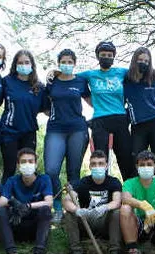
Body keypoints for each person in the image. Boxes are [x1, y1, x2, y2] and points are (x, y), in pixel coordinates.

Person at [44, 49, 91, 220]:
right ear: (59, 63)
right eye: (63, 61)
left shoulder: (80, 81)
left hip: (77, 129)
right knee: (51, 170)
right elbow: (45, 105)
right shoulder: (52, 81)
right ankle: (57, 209)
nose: (67, 65)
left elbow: (93, 102)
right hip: (55, 129)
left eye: (70, 62)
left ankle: (73, 209)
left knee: (73, 172)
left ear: (74, 64)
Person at [62, 150, 124, 254]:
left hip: (104, 223)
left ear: (106, 165)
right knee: (69, 214)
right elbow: (66, 200)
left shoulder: (114, 182)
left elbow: (117, 202)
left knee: (117, 212)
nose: (97, 167)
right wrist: (77, 210)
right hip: (86, 222)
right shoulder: (83, 182)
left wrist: (103, 208)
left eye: (101, 164)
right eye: (94, 164)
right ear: (90, 166)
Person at [80, 41, 135, 178]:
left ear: (113, 57)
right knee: (100, 158)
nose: (106, 57)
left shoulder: (121, 72)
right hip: (100, 119)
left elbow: (141, 74)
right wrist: (54, 72)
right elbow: (70, 78)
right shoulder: (90, 74)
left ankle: (128, 194)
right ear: (98, 56)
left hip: (120, 118)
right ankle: (102, 193)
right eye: (103, 55)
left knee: (125, 157)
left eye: (109, 55)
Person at [0, 148, 54, 254]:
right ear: (18, 165)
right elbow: (0, 205)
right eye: (23, 162)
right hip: (16, 225)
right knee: (1, 212)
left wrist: (27, 206)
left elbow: (49, 202)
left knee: (45, 210)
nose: (27, 164)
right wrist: (13, 204)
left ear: (36, 163)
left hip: (36, 228)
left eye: (30, 161)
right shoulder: (12, 181)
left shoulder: (44, 179)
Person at [123, 47, 155, 180]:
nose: (143, 63)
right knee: (136, 162)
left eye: (146, 60)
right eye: (140, 60)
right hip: (138, 125)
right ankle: (135, 197)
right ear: (134, 60)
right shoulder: (126, 79)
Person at [0, 49, 46, 180]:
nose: (24, 65)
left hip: (29, 132)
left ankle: (27, 199)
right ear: (15, 65)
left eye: (27, 62)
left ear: (32, 65)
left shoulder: (39, 87)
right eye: (20, 62)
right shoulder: (7, 82)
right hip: (8, 132)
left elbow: (47, 110)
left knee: (28, 170)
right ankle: (4, 198)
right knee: (9, 168)